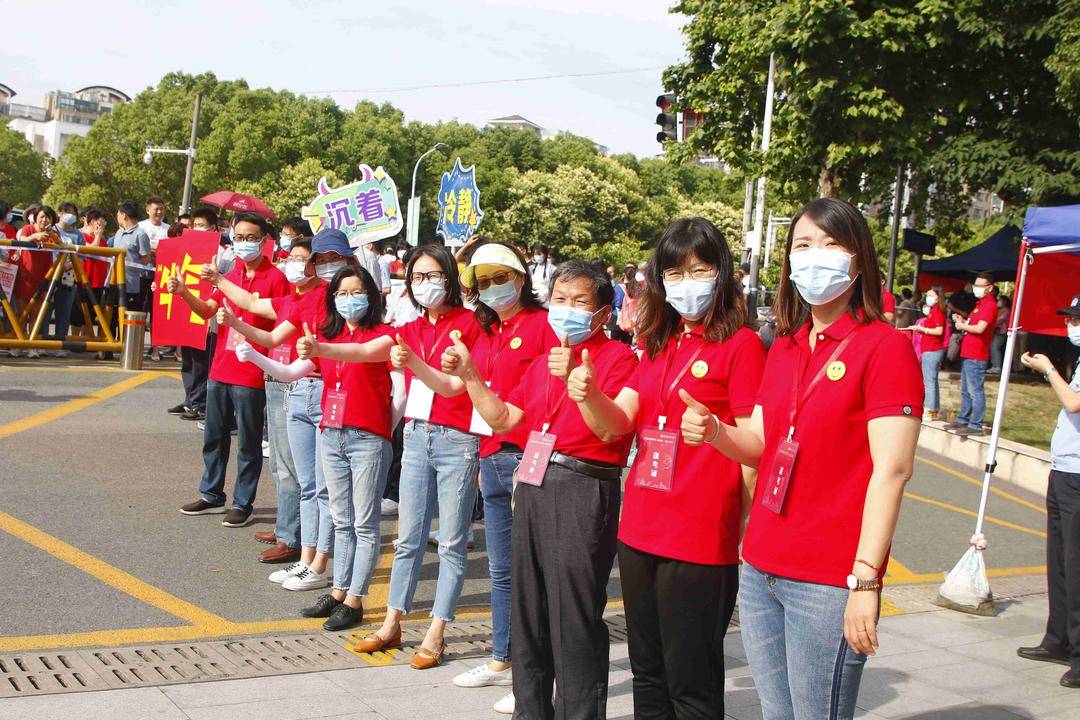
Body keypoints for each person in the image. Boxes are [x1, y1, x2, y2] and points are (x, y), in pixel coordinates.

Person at [699, 198, 923, 720]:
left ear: (858, 259)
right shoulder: (784, 344)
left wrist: (866, 582)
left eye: (830, 244)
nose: (814, 256)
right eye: (802, 245)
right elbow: (759, 438)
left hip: (827, 580)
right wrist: (715, 432)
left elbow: (893, 470)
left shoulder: (884, 347)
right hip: (761, 568)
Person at [568, 218, 765, 718]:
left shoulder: (740, 346)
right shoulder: (659, 344)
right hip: (639, 532)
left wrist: (717, 433)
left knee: (691, 684)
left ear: (722, 275)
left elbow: (756, 447)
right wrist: (590, 395)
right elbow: (616, 424)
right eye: (674, 273)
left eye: (699, 270)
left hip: (699, 539)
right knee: (648, 675)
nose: (686, 284)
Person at [443, 260, 638, 719]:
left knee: (573, 616)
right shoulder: (541, 364)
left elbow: (613, 430)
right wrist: (471, 376)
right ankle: (530, 711)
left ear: (604, 314)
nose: (566, 310)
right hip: (533, 482)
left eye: (579, 302)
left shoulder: (616, 359)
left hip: (582, 485)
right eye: (561, 300)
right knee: (528, 612)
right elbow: (507, 420)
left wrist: (584, 389)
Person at [387, 242, 554, 712]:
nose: (492, 289)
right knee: (502, 571)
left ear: (521, 277)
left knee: (533, 574)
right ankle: (503, 658)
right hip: (491, 453)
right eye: (482, 282)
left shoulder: (542, 327)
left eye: (500, 278)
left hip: (527, 457)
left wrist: (535, 453)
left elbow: (549, 396)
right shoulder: (489, 331)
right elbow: (464, 386)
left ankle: (537, 673)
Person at [352, 245, 483, 669]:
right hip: (417, 436)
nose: (426, 284)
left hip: (457, 440)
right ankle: (392, 622)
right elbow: (363, 352)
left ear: (450, 276)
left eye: (433, 275)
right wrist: (318, 348)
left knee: (450, 542)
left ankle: (436, 631)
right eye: (418, 278)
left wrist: (413, 362)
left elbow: (452, 386)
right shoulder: (408, 328)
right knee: (407, 538)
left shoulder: (472, 324)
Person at [211, 228, 361, 572]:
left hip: (335, 395)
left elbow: (367, 348)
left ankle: (323, 560)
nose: (324, 266)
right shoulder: (309, 300)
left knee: (330, 489)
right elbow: (274, 336)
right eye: (319, 260)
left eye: (332, 259)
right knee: (309, 483)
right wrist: (237, 324)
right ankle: (309, 556)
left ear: (351, 261)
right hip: (302, 389)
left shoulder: (357, 300)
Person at [169, 212, 290, 528]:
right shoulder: (230, 274)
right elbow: (208, 309)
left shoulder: (276, 279)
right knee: (214, 436)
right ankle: (211, 494)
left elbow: (281, 323)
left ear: (264, 241)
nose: (245, 243)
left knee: (249, 442)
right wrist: (183, 292)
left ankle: (242, 502)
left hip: (252, 370)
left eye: (252, 238)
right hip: (220, 368)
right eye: (239, 237)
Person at [1016, 296, 1080, 690]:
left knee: (1075, 565)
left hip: (1078, 478)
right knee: (1058, 561)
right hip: (1064, 472)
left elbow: (1073, 403)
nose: (1072, 324)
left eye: (1077, 318)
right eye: (1071, 317)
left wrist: (1049, 369)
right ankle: (1058, 639)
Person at [944, 272, 998, 436]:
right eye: (975, 285)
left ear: (989, 288)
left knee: (975, 391)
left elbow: (980, 328)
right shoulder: (979, 305)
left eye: (980, 286)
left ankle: (975, 424)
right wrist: (962, 322)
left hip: (977, 354)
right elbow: (973, 324)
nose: (976, 288)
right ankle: (963, 419)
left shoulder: (989, 305)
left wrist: (962, 327)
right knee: (966, 390)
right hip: (969, 352)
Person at [13, 205, 59, 358]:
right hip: (25, 277)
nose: (44, 220)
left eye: (48, 217)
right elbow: (22, 239)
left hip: (43, 278)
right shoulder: (27, 228)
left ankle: (32, 346)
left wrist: (52, 235)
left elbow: (62, 246)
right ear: (35, 217)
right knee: (22, 314)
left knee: (35, 315)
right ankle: (18, 345)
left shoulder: (53, 233)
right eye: (41, 216)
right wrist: (35, 237)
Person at [48, 203, 84, 357]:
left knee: (64, 312)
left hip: (68, 277)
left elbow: (83, 256)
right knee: (46, 311)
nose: (70, 214)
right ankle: (44, 344)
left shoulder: (78, 234)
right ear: (59, 213)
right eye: (67, 212)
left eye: (73, 212)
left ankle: (60, 344)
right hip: (50, 276)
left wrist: (69, 265)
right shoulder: (51, 230)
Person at [908, 286, 947, 421]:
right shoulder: (933, 312)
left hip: (932, 349)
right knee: (932, 381)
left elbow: (939, 331)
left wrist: (922, 329)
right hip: (929, 349)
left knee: (929, 381)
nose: (928, 298)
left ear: (938, 297)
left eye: (931, 295)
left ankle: (930, 409)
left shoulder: (938, 313)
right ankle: (933, 409)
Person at [112, 201, 152, 312]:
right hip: (113, 281)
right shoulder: (119, 233)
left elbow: (146, 259)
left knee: (127, 316)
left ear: (124, 215)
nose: (117, 217)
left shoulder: (140, 234)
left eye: (118, 214)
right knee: (111, 316)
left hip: (131, 285)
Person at [990, 295, 1011, 373]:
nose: (998, 302)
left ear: (1005, 302)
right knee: (992, 348)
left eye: (1000, 300)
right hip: (995, 331)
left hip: (1001, 332)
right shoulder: (998, 310)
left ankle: (997, 366)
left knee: (995, 348)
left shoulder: (1006, 311)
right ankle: (994, 366)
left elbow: (1000, 320)